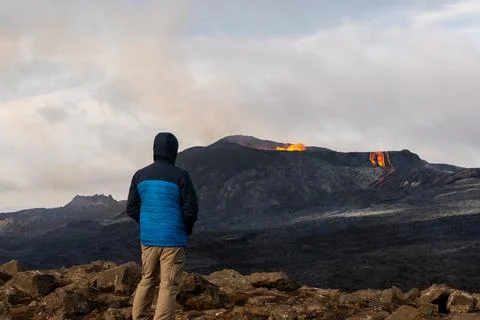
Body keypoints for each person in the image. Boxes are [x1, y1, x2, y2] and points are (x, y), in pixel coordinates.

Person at [126, 132, 198, 320]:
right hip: (173, 240)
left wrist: (149, 223)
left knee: (147, 280)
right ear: (174, 150)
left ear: (155, 150)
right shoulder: (180, 176)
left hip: (148, 239)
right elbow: (191, 209)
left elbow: (131, 208)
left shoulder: (140, 175)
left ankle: (139, 317)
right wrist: (185, 228)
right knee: (168, 285)